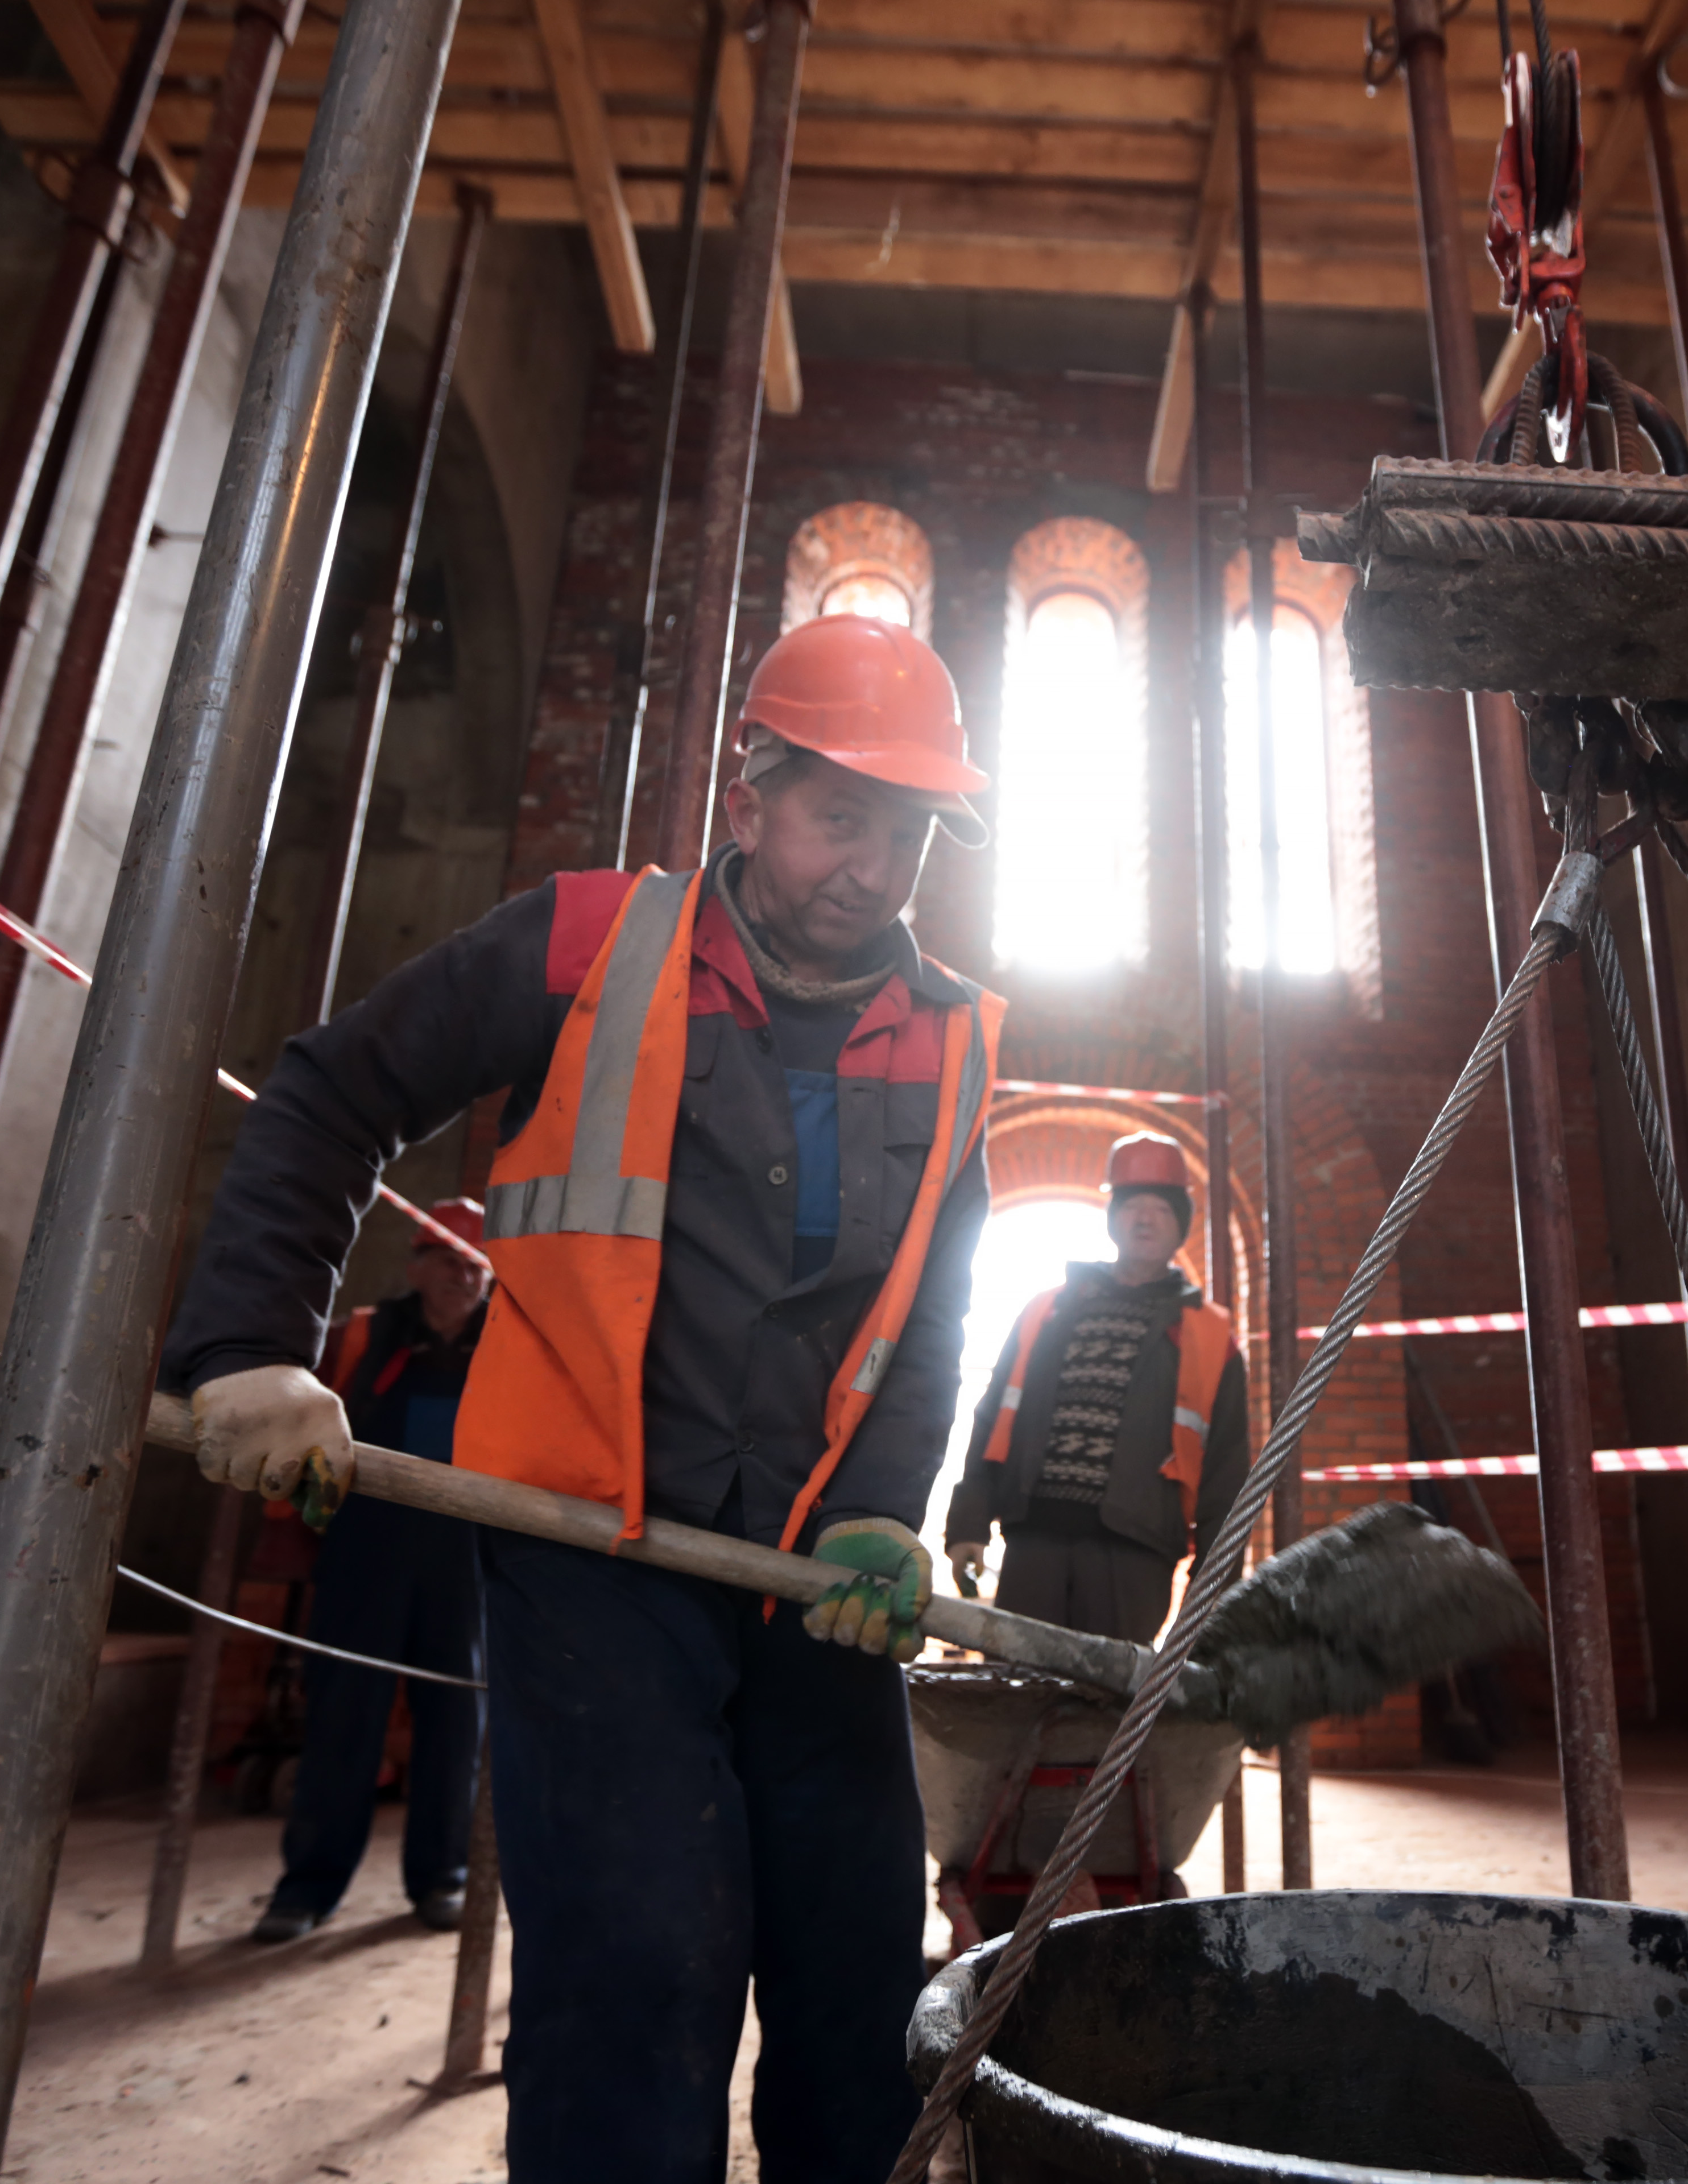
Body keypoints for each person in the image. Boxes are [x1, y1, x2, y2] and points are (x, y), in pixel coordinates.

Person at [160, 613, 1003, 2183]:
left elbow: (930, 1318)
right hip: (584, 1551)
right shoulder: (587, 945)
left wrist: (891, 1507)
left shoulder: (952, 1040)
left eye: (911, 833)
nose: (877, 870)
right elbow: (334, 1092)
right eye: (843, 818)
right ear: (746, 804)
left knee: (854, 1979)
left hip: (809, 1574)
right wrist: (250, 1349)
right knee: (637, 1961)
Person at [250, 1198, 491, 1943]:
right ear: (417, 1265)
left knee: (456, 1722)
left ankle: (441, 1879)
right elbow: (299, 1440)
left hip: (466, 1559)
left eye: (477, 1265)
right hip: (365, 1553)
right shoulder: (361, 1335)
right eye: (448, 1259)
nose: (462, 1275)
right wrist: (289, 1529)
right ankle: (308, 1888)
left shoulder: (509, 1348)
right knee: (342, 1718)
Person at [946, 1134, 1250, 1643]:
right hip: (1033, 1543)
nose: (1145, 1219)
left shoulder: (1212, 1337)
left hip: (1134, 1558)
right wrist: (969, 1524)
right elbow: (993, 1417)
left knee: (1108, 1711)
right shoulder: (1047, 1309)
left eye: (1160, 1207)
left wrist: (1214, 1589)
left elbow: (1227, 1473)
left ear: (1181, 1223)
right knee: (1016, 1700)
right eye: (1133, 1205)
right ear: (1113, 1217)